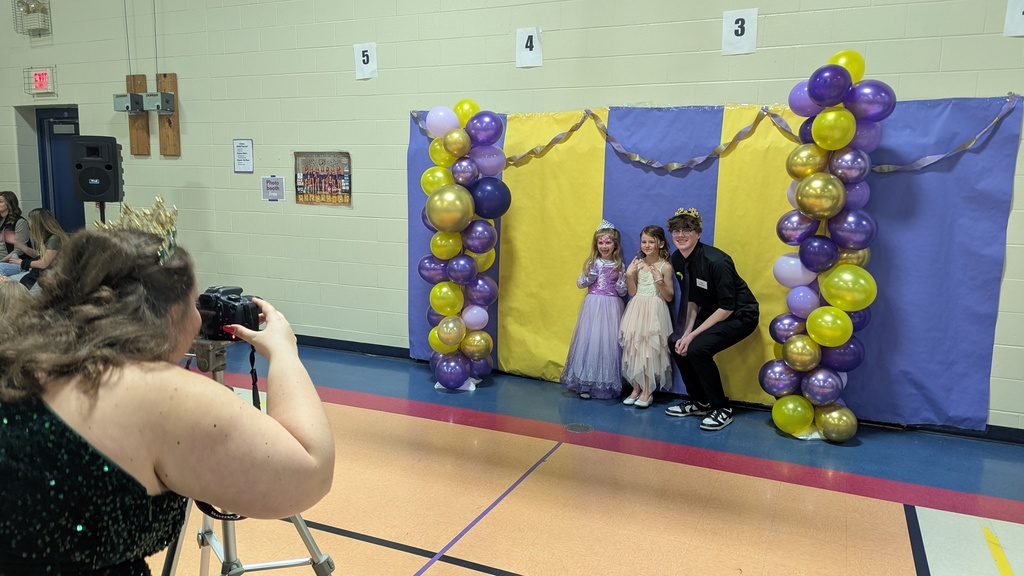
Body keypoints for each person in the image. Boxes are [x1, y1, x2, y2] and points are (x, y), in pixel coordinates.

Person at [0, 199, 335, 575]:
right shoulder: (158, 392)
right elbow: (311, 471)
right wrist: (284, 351)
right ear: (172, 315)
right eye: (194, 306)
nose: (198, 320)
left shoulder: (17, 355)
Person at [664, 208, 759, 431]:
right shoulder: (678, 259)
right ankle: (700, 402)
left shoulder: (717, 261)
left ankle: (722, 408)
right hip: (710, 312)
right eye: (676, 230)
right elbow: (692, 300)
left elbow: (727, 307)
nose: (681, 235)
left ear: (698, 233)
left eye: (687, 229)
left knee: (697, 348)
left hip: (739, 315)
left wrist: (694, 336)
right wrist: (686, 333)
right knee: (675, 341)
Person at [559, 220, 627, 400]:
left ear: (615, 245)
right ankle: (585, 382)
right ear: (596, 244)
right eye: (601, 242)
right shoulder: (592, 262)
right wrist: (589, 278)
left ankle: (604, 383)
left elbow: (623, 291)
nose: (604, 246)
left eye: (608, 242)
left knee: (607, 343)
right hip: (593, 305)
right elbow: (579, 283)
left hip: (612, 306)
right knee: (590, 341)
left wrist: (621, 284)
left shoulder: (619, 265)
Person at [619, 225, 674, 408]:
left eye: (652, 242)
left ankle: (648, 390)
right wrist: (629, 275)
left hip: (655, 310)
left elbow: (669, 296)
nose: (647, 245)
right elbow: (633, 292)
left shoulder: (665, 266)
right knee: (635, 348)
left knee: (650, 351)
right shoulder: (638, 264)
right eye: (644, 242)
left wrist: (659, 280)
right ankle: (635, 388)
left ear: (661, 244)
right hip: (637, 308)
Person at [6, 207, 68, 290]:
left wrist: (23, 263)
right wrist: (19, 245)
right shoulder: (48, 238)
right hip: (41, 274)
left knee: (11, 285)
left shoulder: (55, 239)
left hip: (49, 277)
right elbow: (38, 254)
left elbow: (44, 263)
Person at [0, 190, 29, 278]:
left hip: (14, 261)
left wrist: (1, 261)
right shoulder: (1, 221)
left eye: (0, 201)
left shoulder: (20, 222)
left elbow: (19, 250)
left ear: (9, 204)